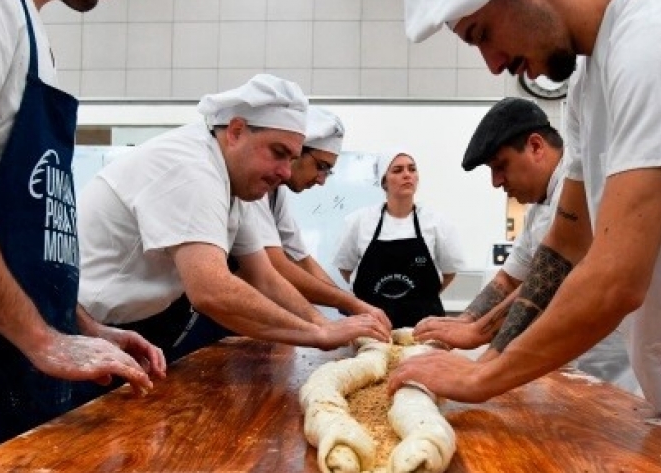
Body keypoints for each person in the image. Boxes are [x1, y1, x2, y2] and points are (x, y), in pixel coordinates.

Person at [392, 0, 661, 461]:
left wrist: (481, 378)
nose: (494, 64)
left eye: (482, 33)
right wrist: (484, 349)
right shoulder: (589, 82)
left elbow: (616, 280)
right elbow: (565, 246)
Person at [0, 0, 165, 460]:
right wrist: (40, 338)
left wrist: (81, 325)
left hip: (8, 364)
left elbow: (28, 239)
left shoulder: (31, 34)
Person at [76, 74, 391, 365]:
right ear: (236, 131)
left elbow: (264, 276)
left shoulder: (238, 184)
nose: (284, 172)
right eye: (278, 152)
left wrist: (322, 323)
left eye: (292, 159)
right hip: (90, 328)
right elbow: (211, 289)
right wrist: (317, 333)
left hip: (140, 326)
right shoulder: (191, 169)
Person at [413, 97, 637, 393]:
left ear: (535, 147)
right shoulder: (538, 207)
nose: (496, 182)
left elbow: (552, 281)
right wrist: (465, 322)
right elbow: (509, 279)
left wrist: (483, 353)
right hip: (563, 363)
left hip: (611, 367)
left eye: (500, 166)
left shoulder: (582, 187)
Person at [246, 107, 390, 323]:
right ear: (294, 152)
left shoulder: (277, 195)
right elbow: (275, 265)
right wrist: (340, 310)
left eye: (328, 172)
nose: (321, 180)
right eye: (321, 167)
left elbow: (302, 260)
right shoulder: (253, 189)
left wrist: (350, 308)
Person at [334, 151, 464, 329]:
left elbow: (449, 272)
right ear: (384, 181)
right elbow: (345, 268)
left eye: (412, 169)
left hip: (424, 327)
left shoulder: (437, 222)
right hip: (372, 327)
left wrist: (421, 299)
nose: (407, 175)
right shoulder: (358, 222)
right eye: (397, 170)